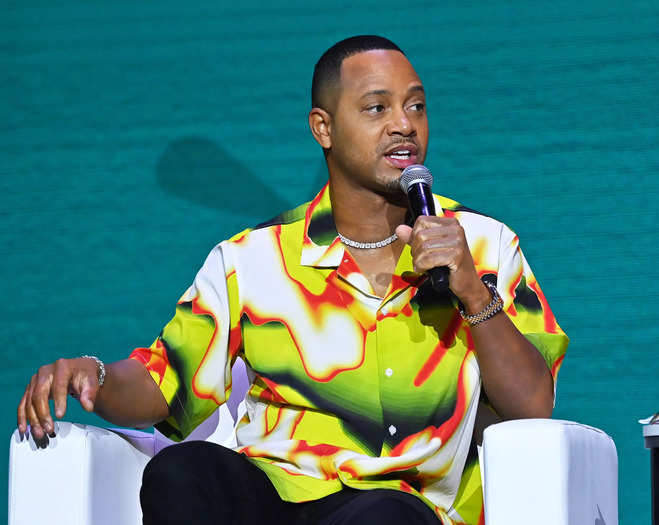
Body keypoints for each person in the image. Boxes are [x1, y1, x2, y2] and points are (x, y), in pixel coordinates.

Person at [16, 36, 568, 525]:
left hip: (402, 506)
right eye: (377, 108)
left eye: (416, 106)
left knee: (384, 515)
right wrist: (91, 375)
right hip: (277, 495)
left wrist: (472, 291)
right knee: (183, 471)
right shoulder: (251, 259)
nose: (405, 124)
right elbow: (163, 384)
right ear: (322, 128)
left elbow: (532, 405)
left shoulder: (482, 244)